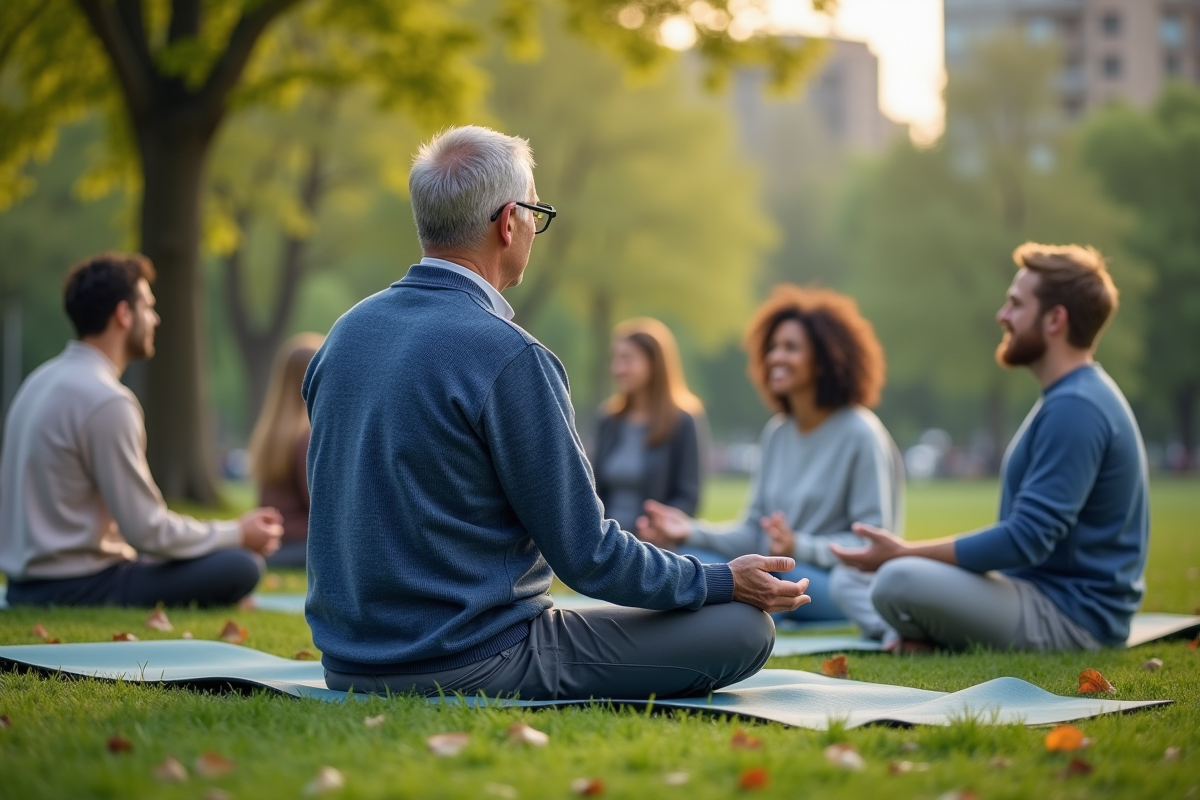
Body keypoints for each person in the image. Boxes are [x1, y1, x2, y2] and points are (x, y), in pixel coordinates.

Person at [304, 125, 810, 700]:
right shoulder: (509, 356)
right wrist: (720, 580)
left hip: (347, 661)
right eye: (537, 212)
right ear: (508, 221)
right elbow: (589, 556)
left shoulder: (343, 336)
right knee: (742, 627)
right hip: (473, 658)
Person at [833, 243, 1148, 653]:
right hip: (1032, 594)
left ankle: (918, 635)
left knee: (897, 579)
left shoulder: (1077, 406)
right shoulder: (1068, 397)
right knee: (873, 579)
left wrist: (904, 552)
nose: (1003, 316)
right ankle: (921, 636)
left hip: (1074, 618)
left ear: (1055, 319)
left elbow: (1026, 539)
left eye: (1016, 304)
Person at [0, 253, 283, 607]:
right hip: (79, 587)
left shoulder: (37, 382)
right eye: (148, 306)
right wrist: (237, 533)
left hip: (22, 585)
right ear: (123, 314)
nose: (155, 318)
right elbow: (146, 529)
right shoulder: (107, 400)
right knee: (241, 566)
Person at [637, 286, 904, 641]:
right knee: (686, 558)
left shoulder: (861, 432)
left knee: (752, 577)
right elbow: (754, 531)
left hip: (837, 584)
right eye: (773, 347)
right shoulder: (777, 433)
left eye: (791, 348)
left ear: (824, 360)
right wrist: (688, 531)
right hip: (780, 570)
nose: (776, 357)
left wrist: (797, 546)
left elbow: (872, 546)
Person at [592, 318, 706, 533]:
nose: (617, 368)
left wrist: (658, 526)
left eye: (627, 359)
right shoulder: (609, 420)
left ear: (654, 363)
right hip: (607, 543)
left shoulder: (683, 421)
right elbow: (594, 489)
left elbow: (688, 497)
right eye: (615, 359)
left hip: (655, 547)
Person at [248, 333, 324, 569]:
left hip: (275, 544)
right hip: (300, 546)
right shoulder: (306, 438)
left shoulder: (270, 434)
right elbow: (320, 510)